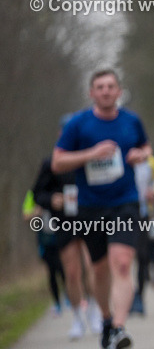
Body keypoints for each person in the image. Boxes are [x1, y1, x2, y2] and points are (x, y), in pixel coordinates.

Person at [52, 69, 152, 349]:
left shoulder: (131, 121)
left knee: (121, 262)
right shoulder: (78, 125)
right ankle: (106, 321)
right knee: (99, 269)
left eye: (111, 86)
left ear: (119, 92)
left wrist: (141, 154)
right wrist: (90, 154)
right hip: (91, 206)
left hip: (126, 202)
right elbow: (58, 161)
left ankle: (119, 327)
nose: (106, 91)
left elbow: (146, 146)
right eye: (100, 87)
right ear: (91, 93)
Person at [30, 125, 105, 338]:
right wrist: (52, 200)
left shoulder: (91, 158)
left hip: (90, 218)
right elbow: (37, 194)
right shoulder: (51, 163)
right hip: (64, 222)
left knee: (93, 268)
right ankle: (77, 318)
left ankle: (94, 312)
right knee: (72, 273)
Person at [22, 190, 67, 319]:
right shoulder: (33, 194)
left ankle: (68, 297)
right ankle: (57, 303)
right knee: (52, 271)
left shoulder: (58, 188)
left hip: (60, 236)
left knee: (63, 269)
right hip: (45, 240)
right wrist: (37, 211)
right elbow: (25, 215)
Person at [131, 154, 154, 315]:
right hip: (118, 213)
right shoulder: (120, 159)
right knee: (122, 259)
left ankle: (139, 296)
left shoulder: (151, 161)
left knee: (143, 255)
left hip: (144, 214)